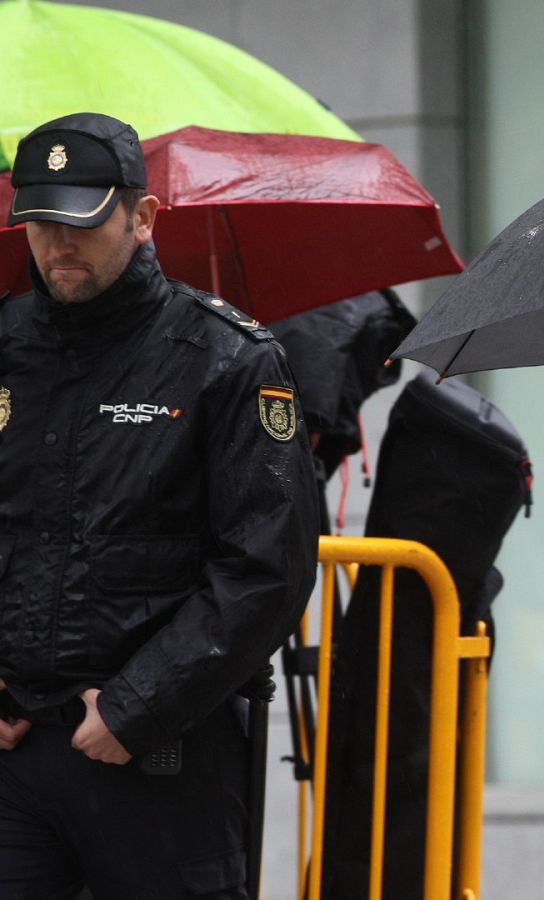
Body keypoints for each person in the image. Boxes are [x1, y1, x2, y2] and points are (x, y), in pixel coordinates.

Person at [0, 112, 319, 898]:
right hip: (14, 755)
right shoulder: (5, 344)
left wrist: (137, 710)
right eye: (39, 222)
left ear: (143, 218)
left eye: (80, 221)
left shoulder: (227, 358)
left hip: (161, 756)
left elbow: (267, 566)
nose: (56, 244)